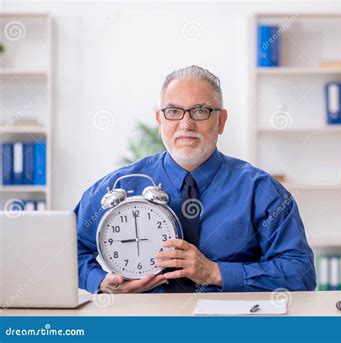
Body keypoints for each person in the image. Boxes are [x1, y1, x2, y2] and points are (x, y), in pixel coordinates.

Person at [75, 65, 316, 293]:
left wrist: (214, 272)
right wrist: (101, 281)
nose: (186, 124)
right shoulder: (121, 185)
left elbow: (301, 274)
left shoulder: (262, 192)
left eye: (200, 111)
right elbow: (62, 249)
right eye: (173, 111)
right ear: (160, 121)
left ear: (221, 121)